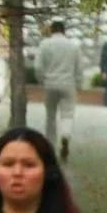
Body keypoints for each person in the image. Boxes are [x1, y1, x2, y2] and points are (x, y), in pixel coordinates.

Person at [36, 20, 84, 162]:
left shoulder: (44, 45)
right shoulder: (73, 46)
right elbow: (79, 69)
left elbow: (38, 67)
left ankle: (50, 147)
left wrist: (42, 80)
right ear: (64, 31)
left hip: (50, 83)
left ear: (51, 30)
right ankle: (65, 135)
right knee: (67, 114)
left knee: (50, 117)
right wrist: (79, 85)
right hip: (68, 84)